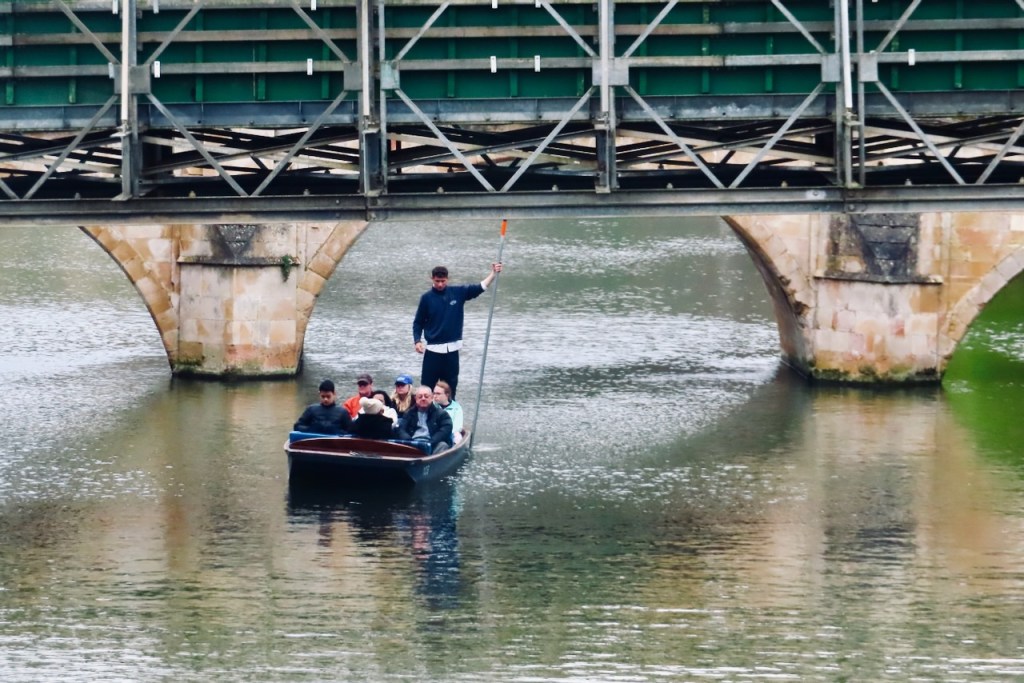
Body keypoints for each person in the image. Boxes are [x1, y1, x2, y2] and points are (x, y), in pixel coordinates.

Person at [412, 262, 502, 400]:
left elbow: (480, 287)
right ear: (432, 279)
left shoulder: (458, 293)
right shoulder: (426, 298)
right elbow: (418, 322)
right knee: (427, 389)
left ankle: (449, 418)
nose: (440, 284)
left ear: (448, 279)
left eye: (443, 281)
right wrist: (417, 340)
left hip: (452, 352)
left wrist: (493, 274)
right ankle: (426, 417)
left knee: (450, 389)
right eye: (437, 281)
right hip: (433, 351)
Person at [397, 385, 454, 454]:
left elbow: (446, 429)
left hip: (433, 443)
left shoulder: (442, 414)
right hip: (412, 443)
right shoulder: (409, 413)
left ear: (432, 397)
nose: (423, 399)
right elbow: (401, 429)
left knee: (442, 445)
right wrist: (409, 440)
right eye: (420, 397)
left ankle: (432, 463)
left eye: (426, 396)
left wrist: (431, 442)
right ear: (415, 398)